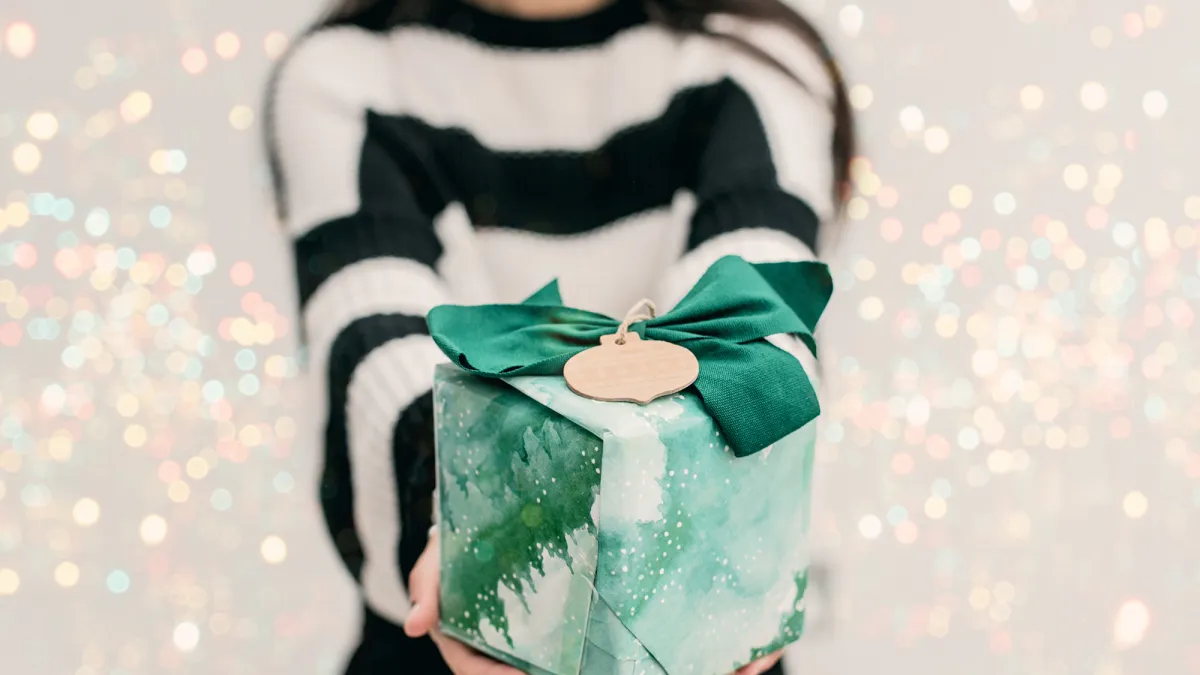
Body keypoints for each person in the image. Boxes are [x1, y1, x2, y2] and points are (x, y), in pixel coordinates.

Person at [266, 0, 854, 672]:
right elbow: (373, 351)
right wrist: (467, 521)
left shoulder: (756, 60)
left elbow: (757, 312)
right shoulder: (346, 75)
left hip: (698, 624)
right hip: (453, 620)